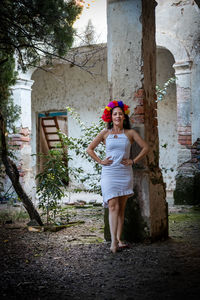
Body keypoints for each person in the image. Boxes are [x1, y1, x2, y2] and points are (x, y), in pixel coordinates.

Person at [86, 100, 149, 253]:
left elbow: (146, 147)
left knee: (121, 209)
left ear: (124, 116)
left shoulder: (130, 133)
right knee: (113, 206)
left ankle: (119, 240)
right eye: (115, 114)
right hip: (109, 173)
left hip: (124, 173)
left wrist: (133, 160)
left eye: (120, 114)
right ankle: (113, 243)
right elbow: (89, 149)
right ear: (110, 117)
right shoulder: (105, 133)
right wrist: (101, 161)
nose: (118, 116)